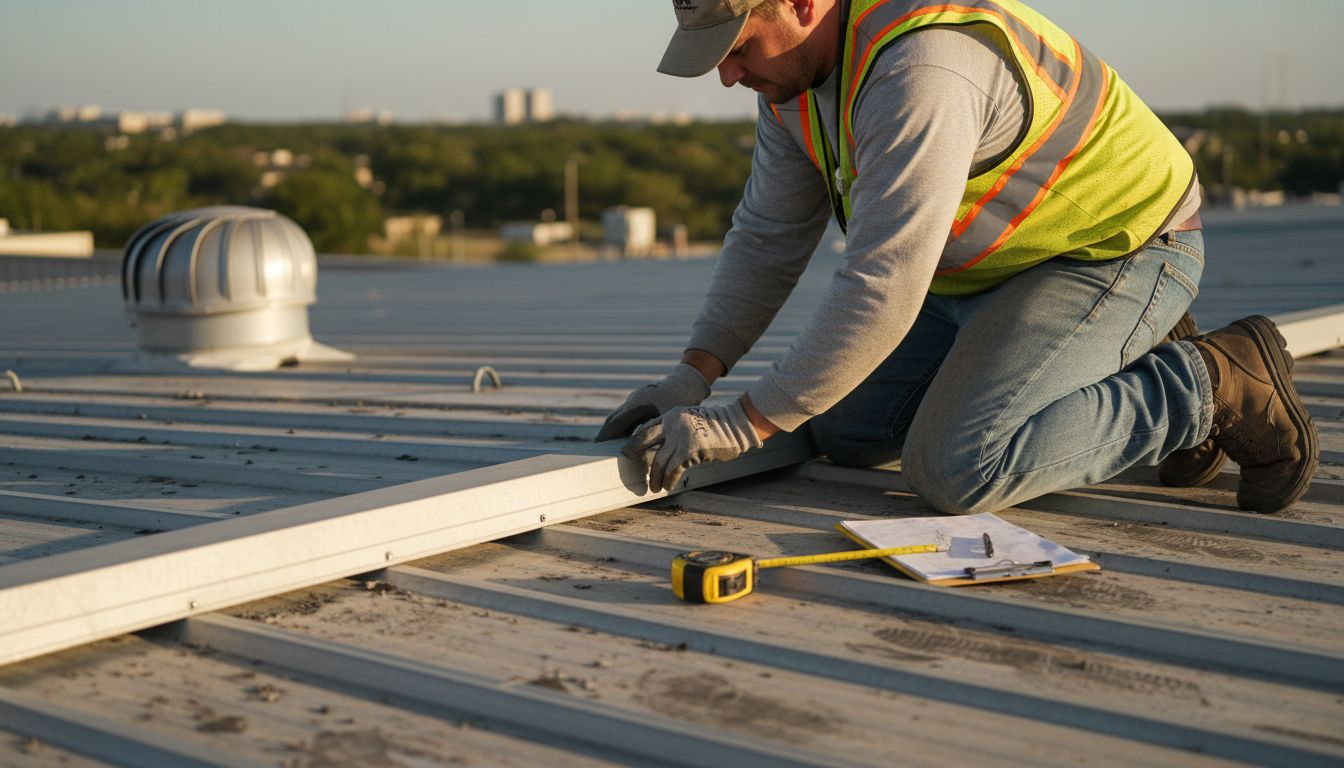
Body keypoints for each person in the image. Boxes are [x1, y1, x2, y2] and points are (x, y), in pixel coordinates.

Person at [599, 0, 1318, 516]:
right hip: (985, 273)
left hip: (1113, 248)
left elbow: (884, 282)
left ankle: (1208, 382)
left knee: (957, 467)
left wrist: (743, 422)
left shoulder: (921, 69)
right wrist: (694, 376)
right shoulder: (792, 84)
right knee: (843, 430)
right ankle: (1120, 350)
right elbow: (768, 236)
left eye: (737, 49)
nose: (727, 77)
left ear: (801, 4)